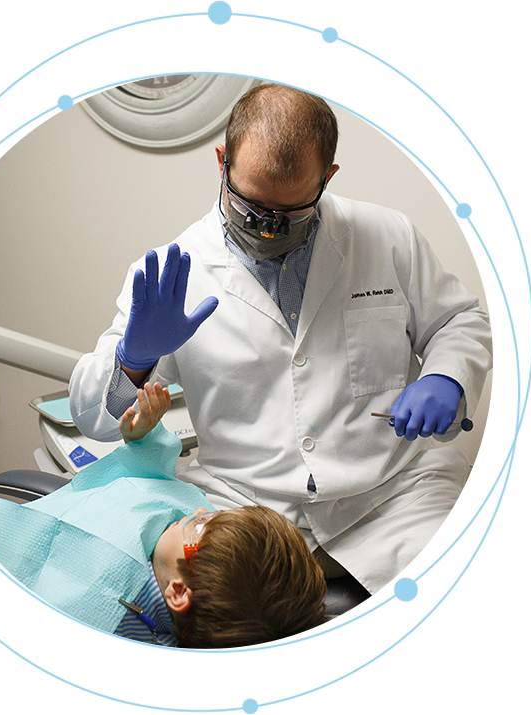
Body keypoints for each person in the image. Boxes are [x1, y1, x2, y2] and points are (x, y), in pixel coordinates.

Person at [69, 82, 493, 603]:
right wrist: (134, 360)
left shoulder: (387, 235)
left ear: (327, 178)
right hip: (245, 508)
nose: (268, 230)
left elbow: (459, 321)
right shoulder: (171, 272)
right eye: (251, 208)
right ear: (222, 161)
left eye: (289, 214)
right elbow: (94, 418)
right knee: (215, 617)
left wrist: (446, 377)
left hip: (394, 497)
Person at [0, 382, 328, 648]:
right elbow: (155, 481)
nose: (200, 510)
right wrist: (145, 440)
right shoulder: (195, 553)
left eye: (200, 523)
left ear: (179, 592)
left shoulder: (109, 615)